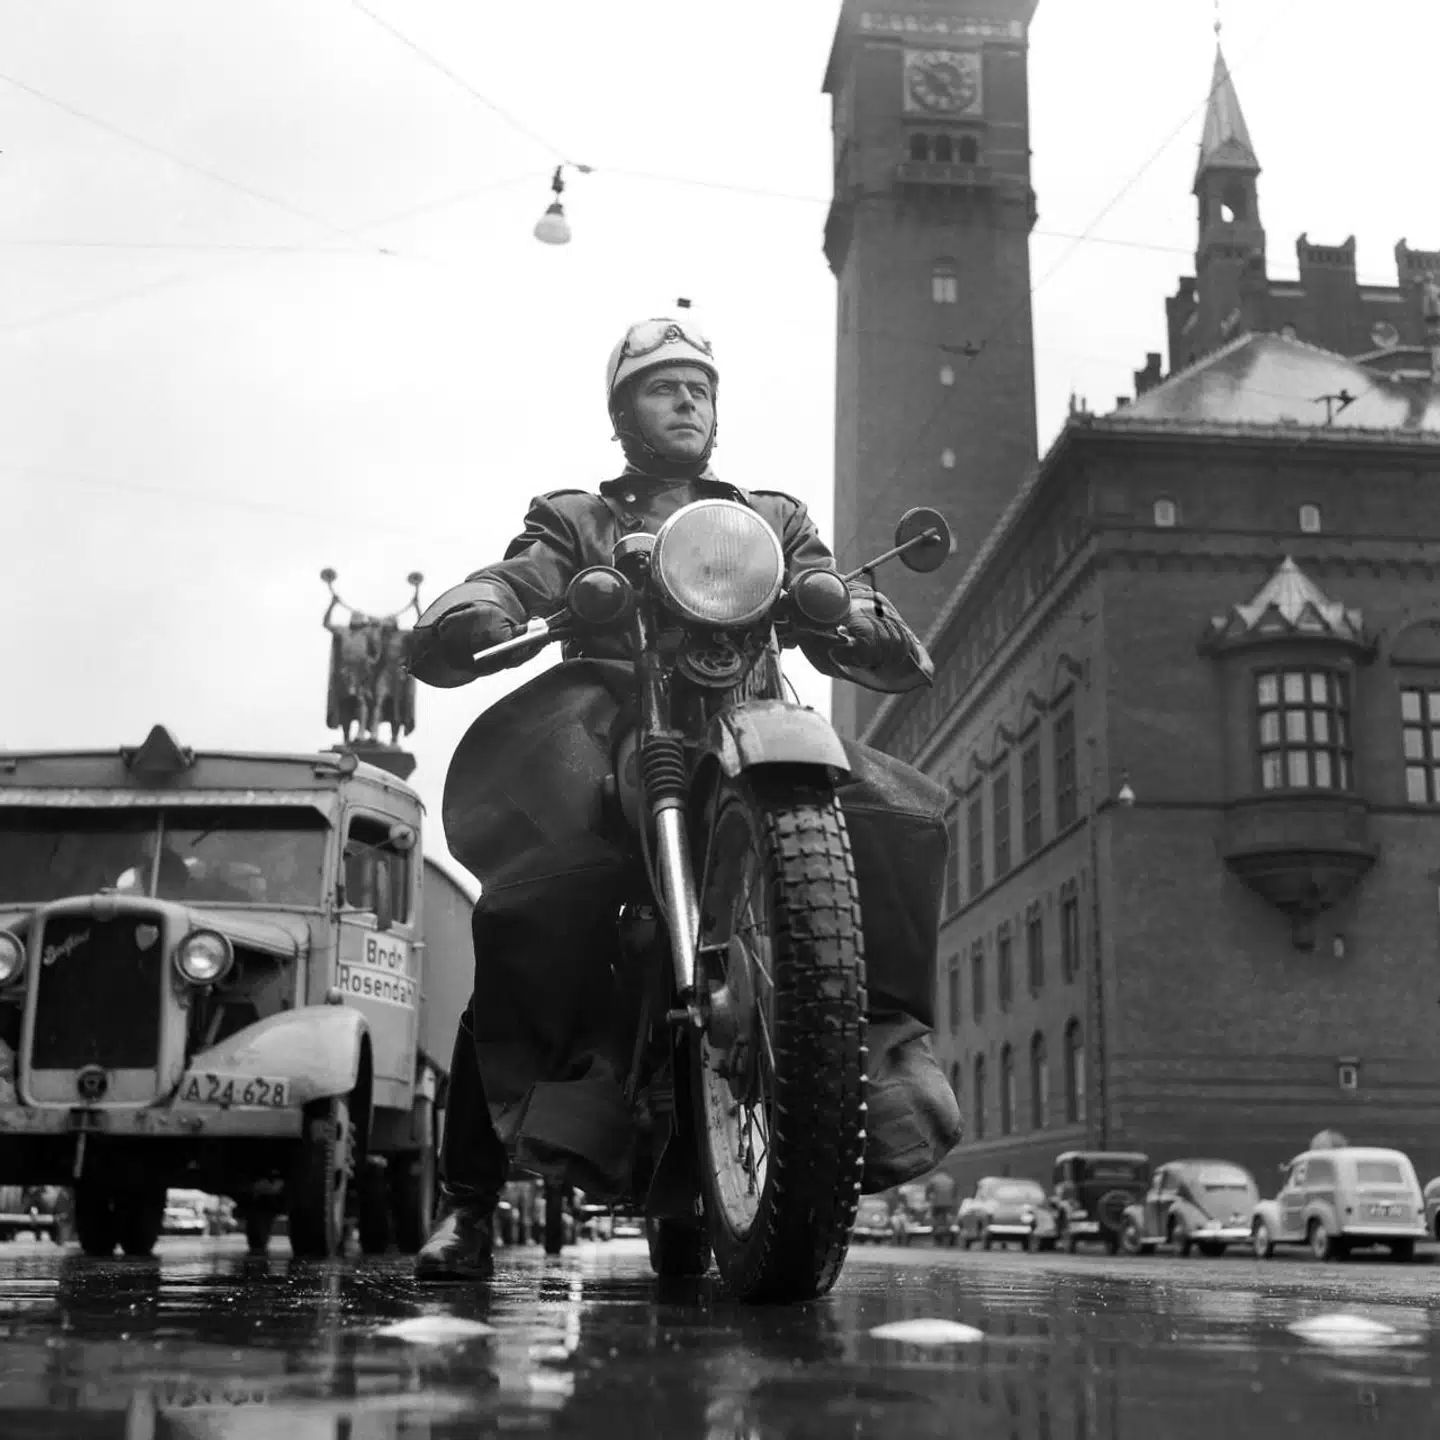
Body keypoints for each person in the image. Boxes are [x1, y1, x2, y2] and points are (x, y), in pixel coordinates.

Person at [406, 317, 962, 1280]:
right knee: (531, 913)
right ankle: (470, 1203)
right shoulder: (579, 514)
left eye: (700, 388)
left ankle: (882, 1044)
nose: (687, 402)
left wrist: (858, 613)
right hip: (618, 738)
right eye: (663, 388)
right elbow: (524, 571)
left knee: (894, 816)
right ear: (624, 413)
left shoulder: (768, 518)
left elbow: (827, 583)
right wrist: (480, 606)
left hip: (752, 738)